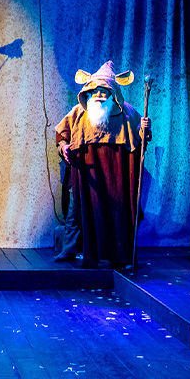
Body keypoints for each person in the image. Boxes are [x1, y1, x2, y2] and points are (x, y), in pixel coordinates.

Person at [53, 61, 150, 268]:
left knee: (117, 215)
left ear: (113, 93)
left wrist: (144, 129)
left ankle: (120, 256)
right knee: (78, 212)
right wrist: (64, 147)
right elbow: (61, 134)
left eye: (103, 91)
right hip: (88, 175)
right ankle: (71, 251)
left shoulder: (128, 113)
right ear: (87, 93)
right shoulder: (78, 113)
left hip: (117, 176)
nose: (98, 95)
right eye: (93, 90)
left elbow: (141, 140)